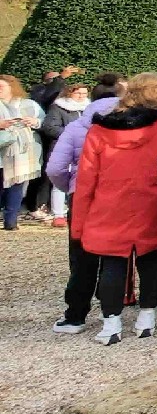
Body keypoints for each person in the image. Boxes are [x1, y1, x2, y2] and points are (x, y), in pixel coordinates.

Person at [68, 73, 157, 345]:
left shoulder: (101, 128)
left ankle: (111, 324)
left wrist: (79, 222)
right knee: (151, 258)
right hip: (154, 201)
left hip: (110, 203)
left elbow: (86, 178)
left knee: (112, 263)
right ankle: (146, 319)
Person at [46, 75, 124, 334]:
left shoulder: (77, 126)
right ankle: (111, 309)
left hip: (82, 192)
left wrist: (68, 184)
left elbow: (56, 167)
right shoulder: (129, 124)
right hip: (119, 193)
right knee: (114, 254)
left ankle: (76, 314)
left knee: (81, 255)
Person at [0, 74, 45, 230]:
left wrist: (34, 122)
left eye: (1, 87)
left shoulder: (28, 104)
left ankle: (11, 221)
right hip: (1, 150)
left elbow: (44, 121)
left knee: (16, 185)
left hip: (20, 152)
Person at [41, 83, 89, 225]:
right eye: (78, 93)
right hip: (64, 147)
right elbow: (50, 127)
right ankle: (58, 214)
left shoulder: (89, 108)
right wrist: (71, 135)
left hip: (86, 148)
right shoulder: (59, 107)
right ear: (69, 93)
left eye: (84, 94)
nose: (81, 96)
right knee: (61, 182)